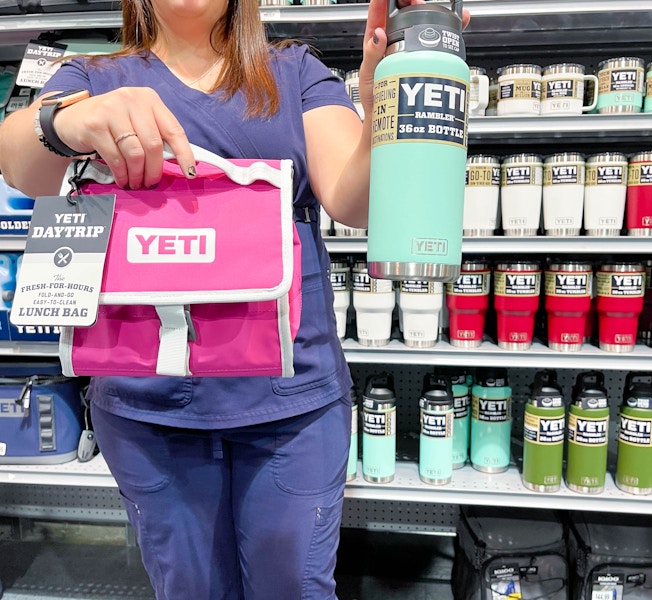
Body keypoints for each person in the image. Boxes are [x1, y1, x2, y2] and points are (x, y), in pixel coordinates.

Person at [0, 0, 467, 597]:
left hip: (290, 404)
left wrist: (382, 101)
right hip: (148, 409)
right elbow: (20, 164)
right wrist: (66, 124)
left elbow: (349, 201)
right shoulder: (92, 76)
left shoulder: (294, 71)